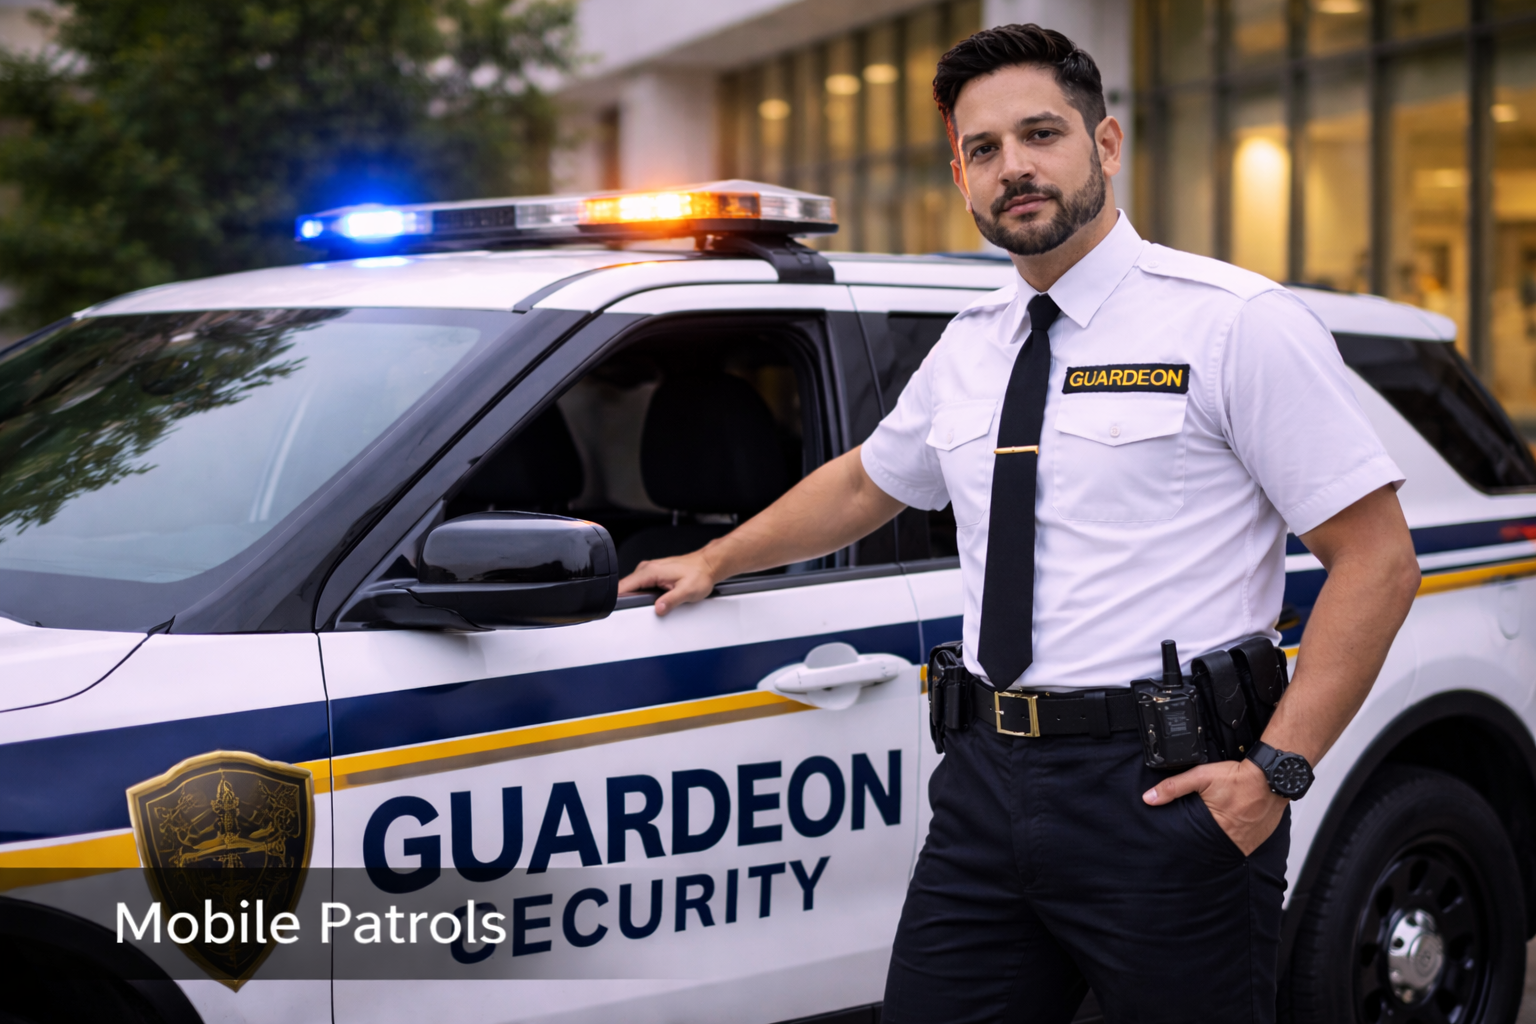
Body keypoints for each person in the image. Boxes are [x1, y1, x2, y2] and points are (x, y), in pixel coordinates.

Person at [618, 23, 1421, 1024]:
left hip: (1167, 793)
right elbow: (871, 481)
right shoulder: (972, 343)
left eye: (1041, 134)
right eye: (984, 150)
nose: (1016, 168)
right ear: (960, 176)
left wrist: (1275, 773)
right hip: (985, 783)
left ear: (1107, 143)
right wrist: (714, 556)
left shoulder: (1232, 322)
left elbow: (1378, 563)